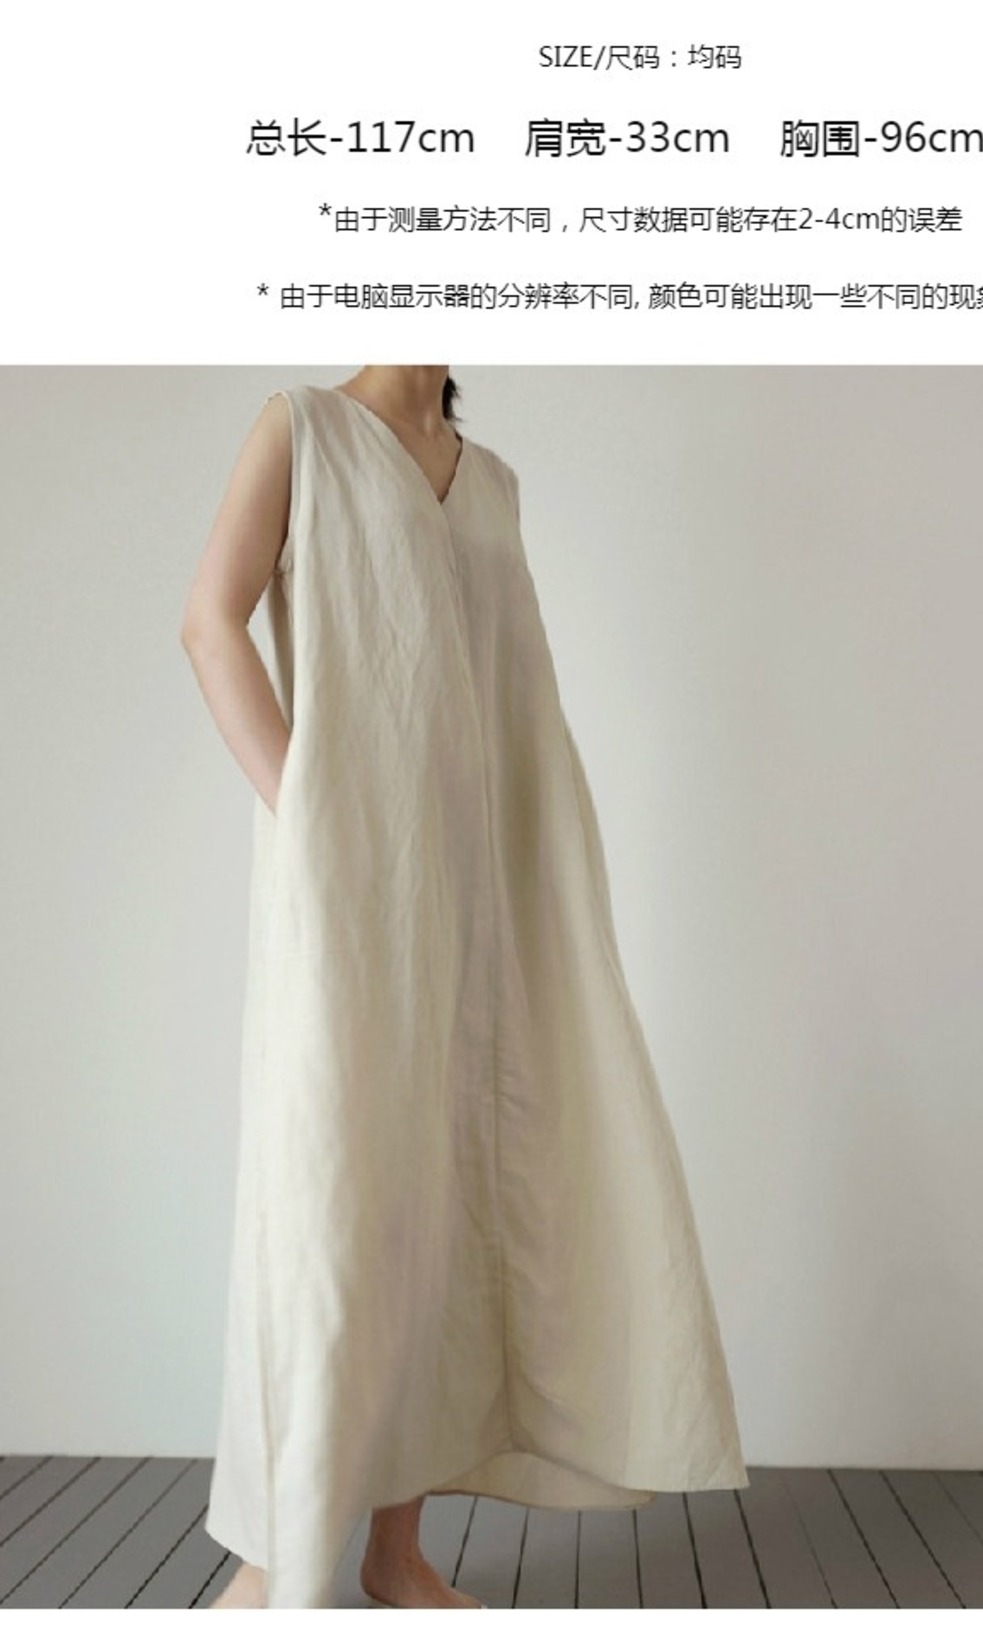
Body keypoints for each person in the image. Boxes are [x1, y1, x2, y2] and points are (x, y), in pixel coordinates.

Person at [179, 368, 748, 1610]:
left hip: (483, 896)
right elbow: (209, 623)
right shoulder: (302, 432)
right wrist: (308, 813)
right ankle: (273, 1557)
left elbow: (510, 695)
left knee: (444, 1202)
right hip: (352, 895)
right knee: (335, 1195)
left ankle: (396, 1555)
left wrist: (546, 878)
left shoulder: (488, 481)